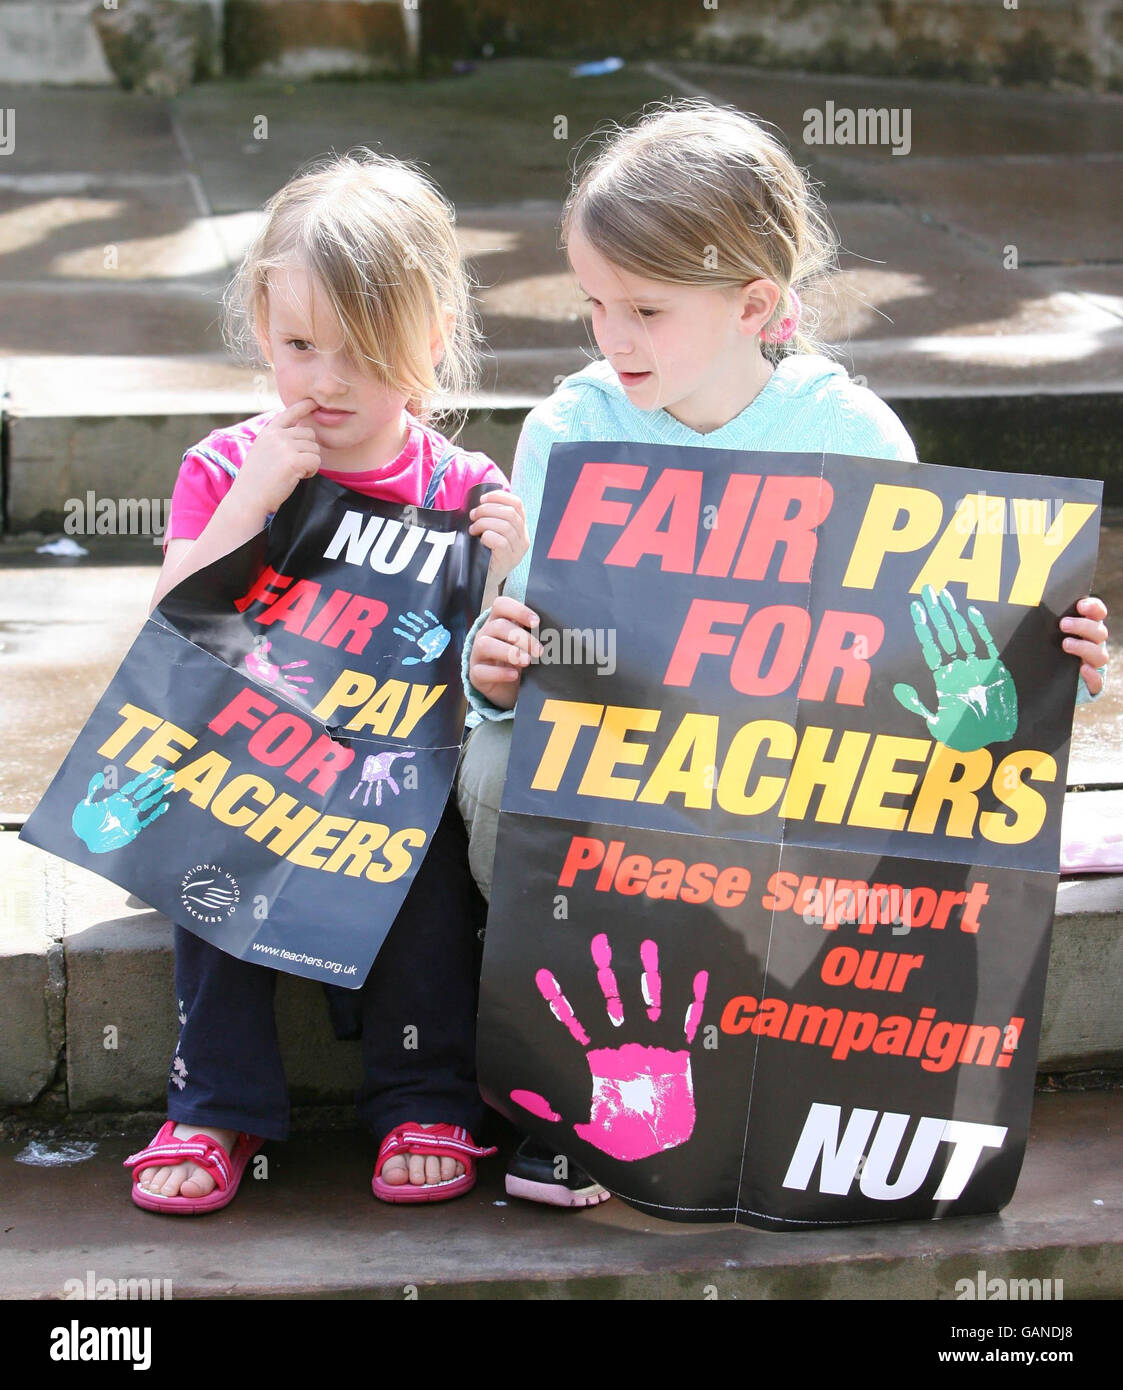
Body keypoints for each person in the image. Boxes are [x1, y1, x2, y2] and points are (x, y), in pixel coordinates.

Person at [455, 101, 1110, 1208]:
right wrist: (495, 661)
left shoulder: (852, 438)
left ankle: (829, 1079)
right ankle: (571, 1099)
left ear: (754, 303)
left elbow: (937, 695)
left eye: (646, 310)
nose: (611, 339)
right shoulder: (569, 429)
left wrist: (1037, 666)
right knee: (497, 778)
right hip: (622, 777)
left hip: (781, 781)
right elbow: (520, 658)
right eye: (594, 305)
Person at [125, 149, 529, 1213]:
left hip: (387, 781)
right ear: (262, 327)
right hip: (246, 770)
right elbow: (172, 627)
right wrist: (254, 501)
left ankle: (421, 1096)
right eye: (301, 345)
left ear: (432, 342)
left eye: (365, 351)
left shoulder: (463, 485)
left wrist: (508, 566)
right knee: (209, 857)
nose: (327, 381)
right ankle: (214, 1103)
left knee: (430, 872)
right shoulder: (227, 465)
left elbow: (493, 667)